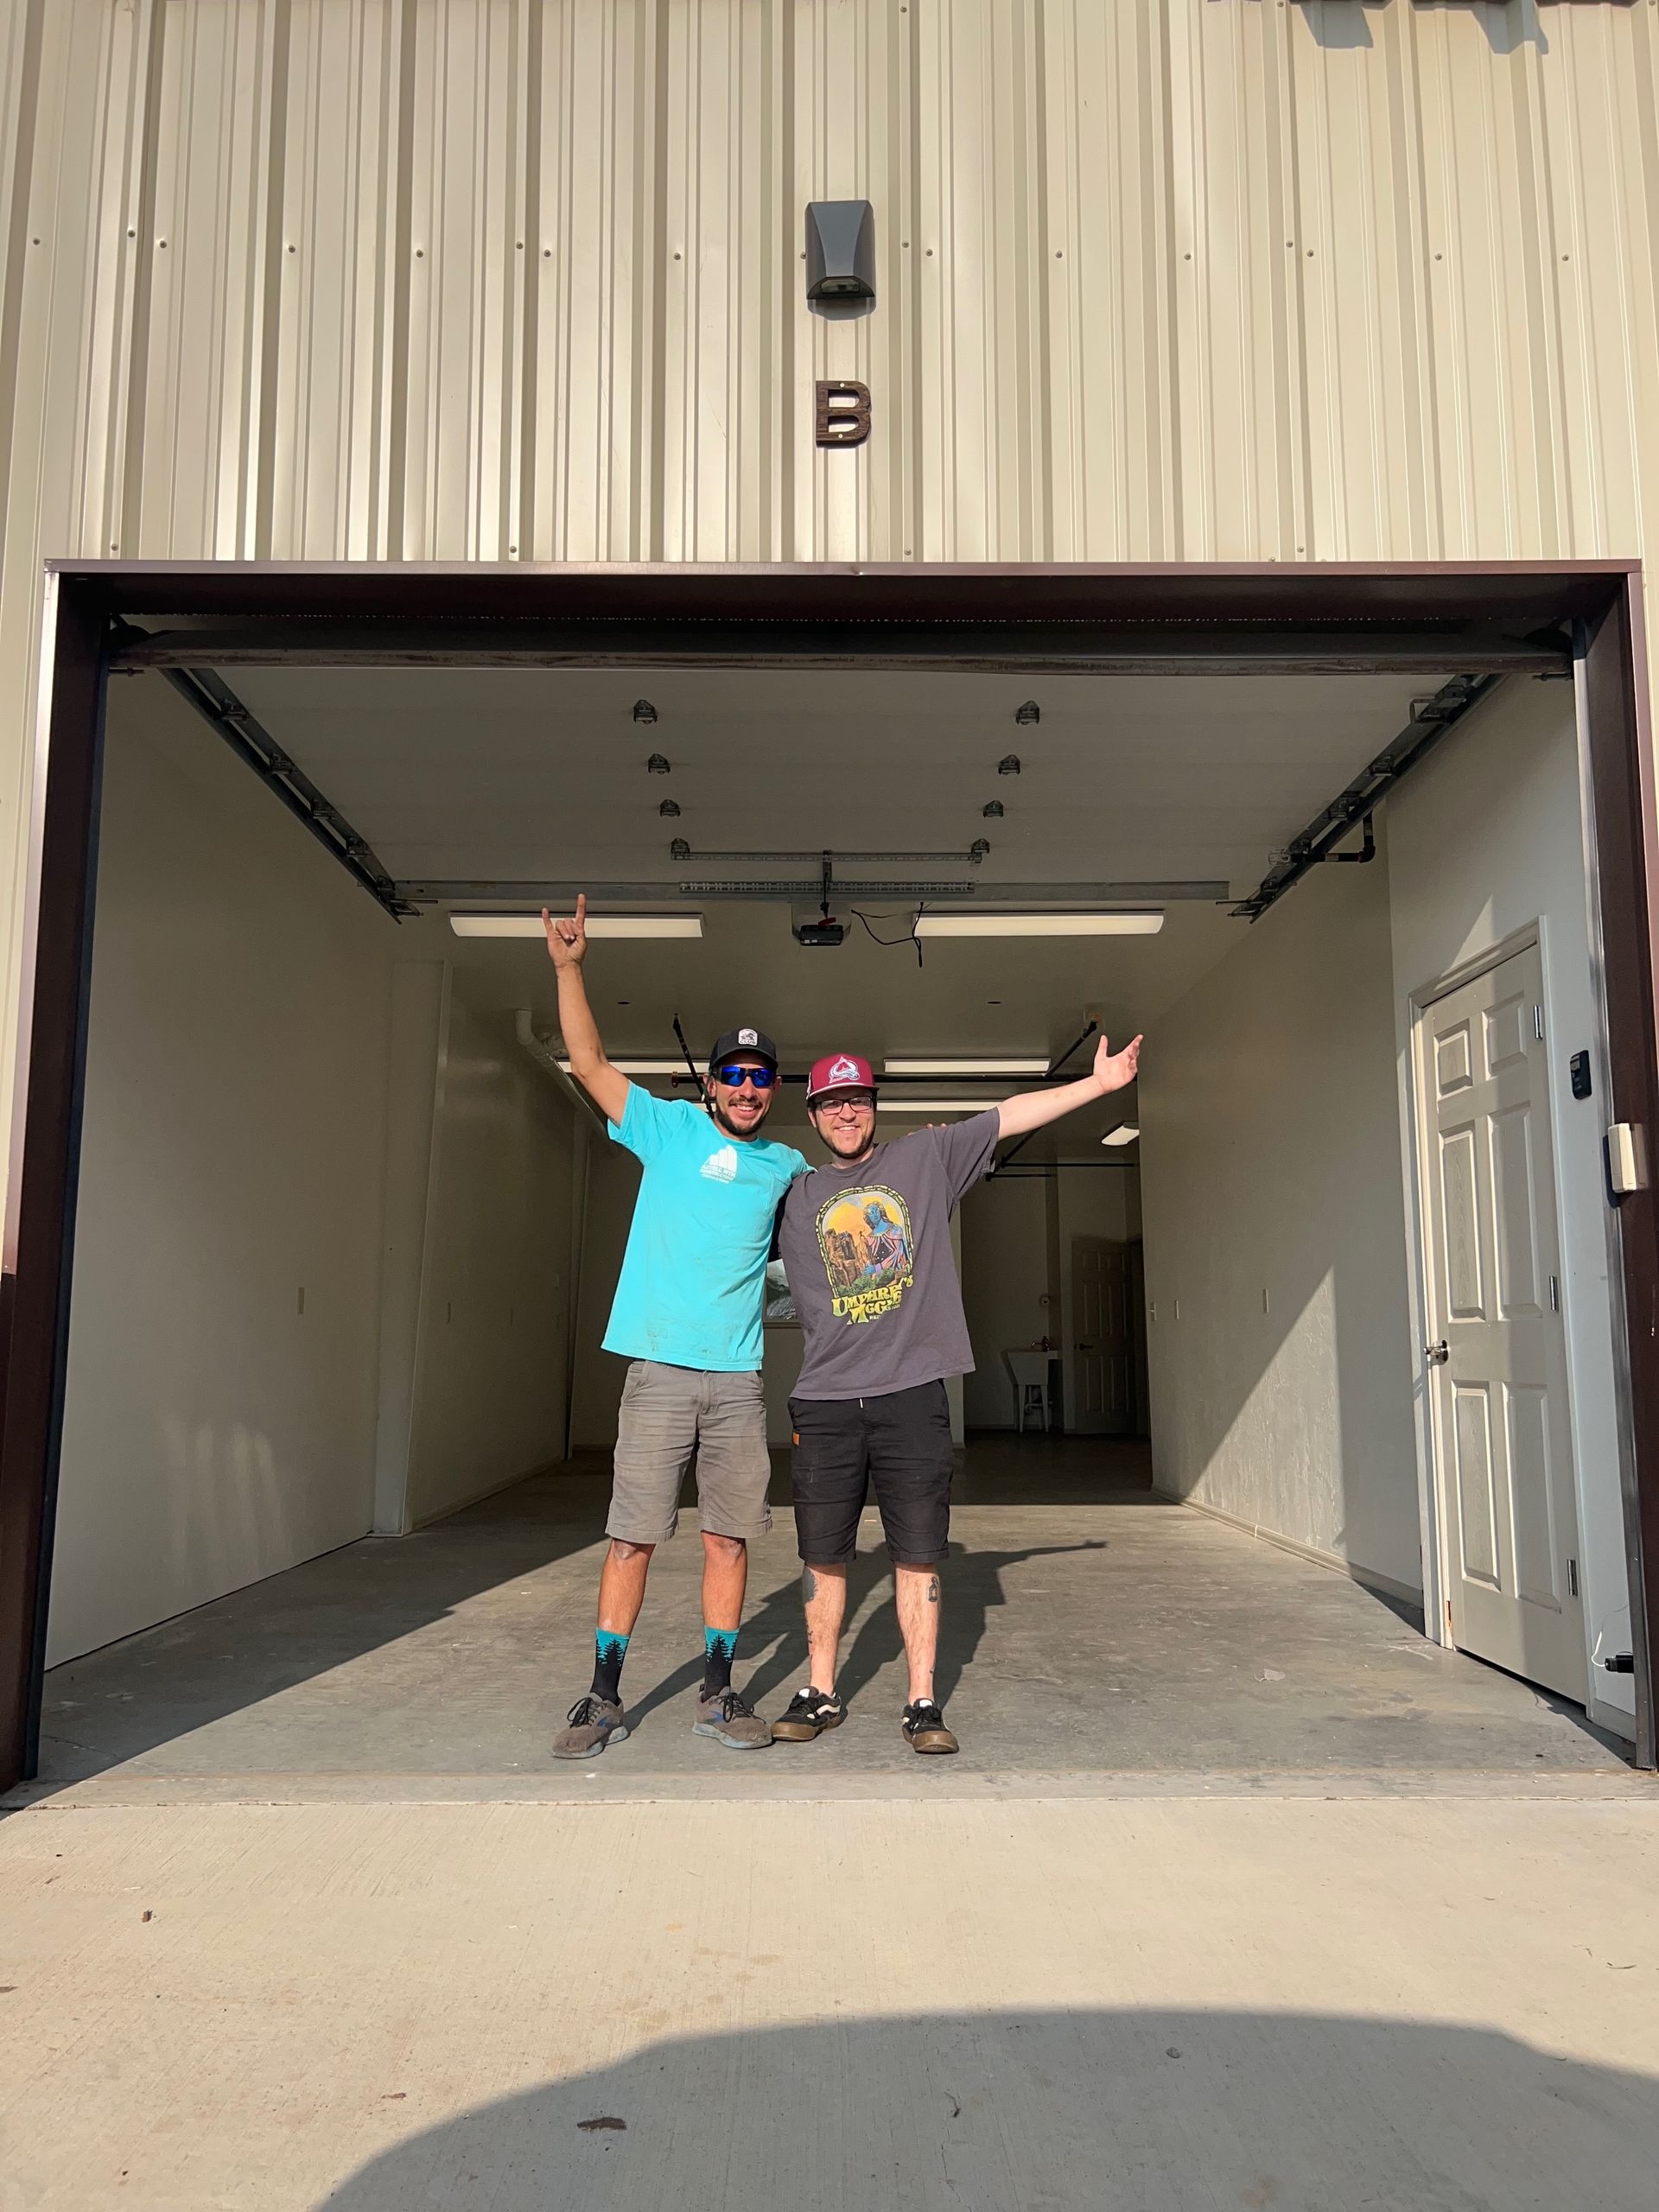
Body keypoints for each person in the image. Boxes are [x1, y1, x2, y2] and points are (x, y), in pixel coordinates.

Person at [769, 1036, 1141, 1755]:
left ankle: (921, 1700)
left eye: (857, 1099)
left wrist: (1096, 1087)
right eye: (831, 1102)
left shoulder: (924, 1159)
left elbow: (1008, 1114)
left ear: (873, 1106)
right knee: (823, 1555)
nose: (846, 1112)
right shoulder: (794, 1194)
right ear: (813, 1116)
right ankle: (820, 1691)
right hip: (825, 1399)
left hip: (911, 1394)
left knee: (918, 1553)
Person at [543, 896, 808, 1758]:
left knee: (728, 1539)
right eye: (732, 1075)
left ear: (774, 1090)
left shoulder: (788, 1165)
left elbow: (848, 1209)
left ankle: (719, 1692)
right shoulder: (665, 1127)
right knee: (632, 1537)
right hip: (658, 1371)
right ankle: (602, 1695)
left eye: (759, 1077)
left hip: (736, 1380)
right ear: (710, 1085)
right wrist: (570, 966)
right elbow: (586, 1060)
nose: (744, 1087)